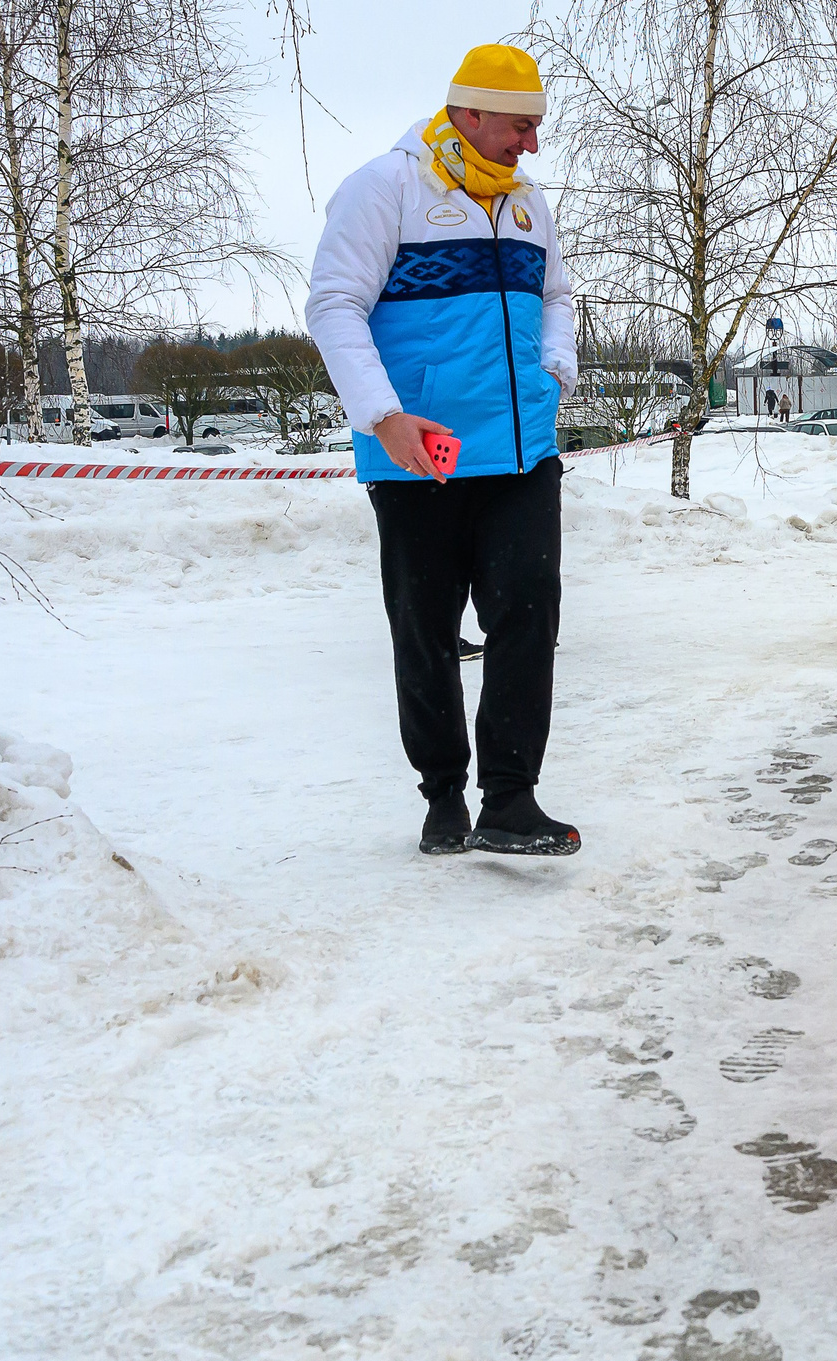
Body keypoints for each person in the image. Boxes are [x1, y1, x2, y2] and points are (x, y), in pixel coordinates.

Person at [307, 44, 579, 858]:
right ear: (471, 111)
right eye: (520, 127)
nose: (530, 145)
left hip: (523, 453)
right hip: (422, 454)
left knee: (528, 616)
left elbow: (557, 295)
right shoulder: (385, 188)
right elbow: (333, 306)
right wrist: (386, 418)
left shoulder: (527, 203)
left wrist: (555, 369)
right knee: (425, 628)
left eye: (535, 129)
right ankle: (442, 797)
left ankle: (510, 797)